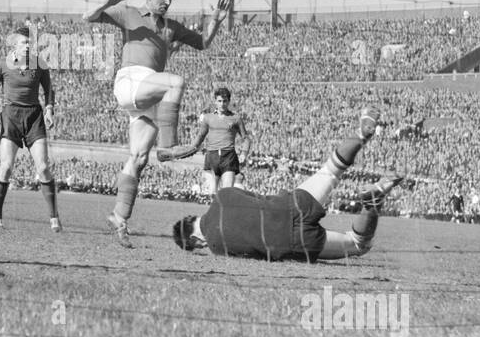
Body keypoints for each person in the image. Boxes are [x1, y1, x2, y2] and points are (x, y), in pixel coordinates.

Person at [85, 0, 226, 246]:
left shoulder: (172, 27)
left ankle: (119, 216)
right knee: (176, 82)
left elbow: (204, 42)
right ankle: (169, 146)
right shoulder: (129, 12)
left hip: (149, 93)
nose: (167, 1)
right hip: (132, 80)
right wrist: (106, 3)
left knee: (138, 158)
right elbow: (88, 17)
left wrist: (216, 21)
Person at [172, 107, 402, 261]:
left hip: (290, 240)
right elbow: (246, 193)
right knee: (332, 168)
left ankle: (373, 201)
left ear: (195, 240)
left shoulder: (215, 247)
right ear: (192, 218)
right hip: (289, 205)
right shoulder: (222, 197)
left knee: (357, 244)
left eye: (196, 247)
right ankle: (361, 135)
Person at [0, 25, 61, 232]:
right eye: (24, 42)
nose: (28, 46)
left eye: (30, 43)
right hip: (11, 116)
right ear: (14, 44)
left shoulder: (40, 64)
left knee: (43, 167)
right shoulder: (2, 64)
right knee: (6, 167)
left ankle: (54, 218)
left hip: (34, 116)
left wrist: (50, 110)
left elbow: (49, 91)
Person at [157, 86, 249, 197]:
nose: (222, 104)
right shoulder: (207, 118)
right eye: (219, 101)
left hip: (228, 157)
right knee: (211, 193)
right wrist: (191, 148)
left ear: (229, 101)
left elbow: (246, 138)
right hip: (211, 156)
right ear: (215, 101)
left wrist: (244, 153)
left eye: (225, 101)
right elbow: (201, 136)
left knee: (227, 193)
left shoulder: (236, 118)